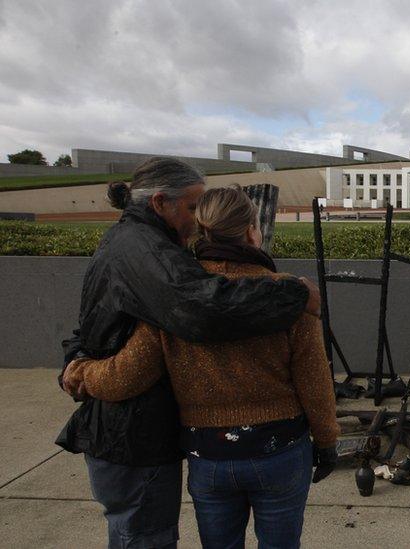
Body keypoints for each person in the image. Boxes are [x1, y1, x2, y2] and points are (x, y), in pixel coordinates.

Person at [58, 157, 321, 548]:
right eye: (193, 206)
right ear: (161, 202)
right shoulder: (148, 254)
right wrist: (295, 292)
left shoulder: (142, 247)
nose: (198, 219)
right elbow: (203, 307)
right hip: (132, 438)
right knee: (145, 537)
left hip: (173, 444)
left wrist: (81, 366)